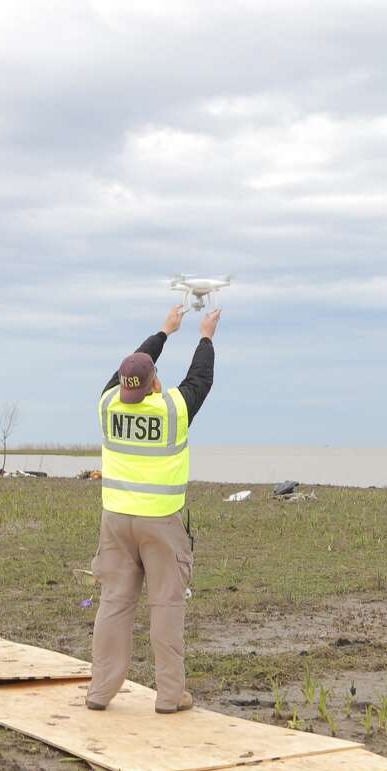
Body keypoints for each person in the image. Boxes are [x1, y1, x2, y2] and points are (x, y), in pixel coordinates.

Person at [86, 305, 220, 714]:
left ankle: (100, 692)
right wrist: (205, 336)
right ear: (155, 383)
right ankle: (168, 696)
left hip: (115, 521)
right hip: (161, 523)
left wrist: (163, 332)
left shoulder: (109, 404)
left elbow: (127, 369)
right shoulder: (172, 410)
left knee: (113, 604)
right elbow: (200, 380)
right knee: (165, 606)